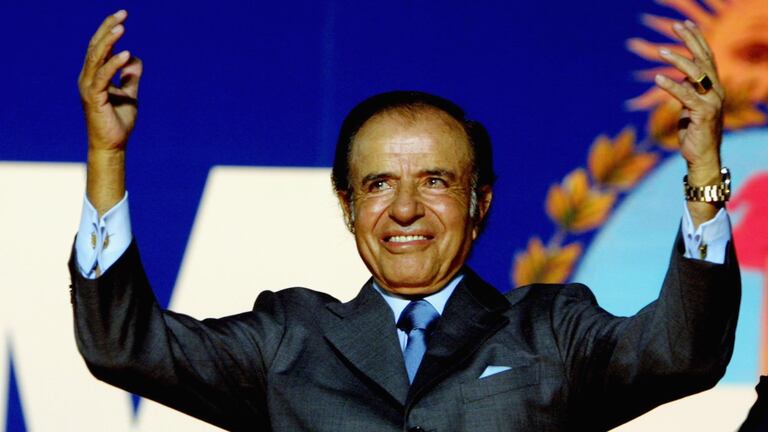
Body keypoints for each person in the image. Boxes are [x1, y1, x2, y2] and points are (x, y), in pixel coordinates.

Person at [70, 10, 740, 431]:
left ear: (481, 202)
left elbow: (684, 354)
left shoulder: (552, 330)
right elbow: (122, 347)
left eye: (436, 182)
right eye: (379, 185)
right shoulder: (289, 339)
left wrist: (704, 170)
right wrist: (107, 155)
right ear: (348, 206)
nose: (406, 209)